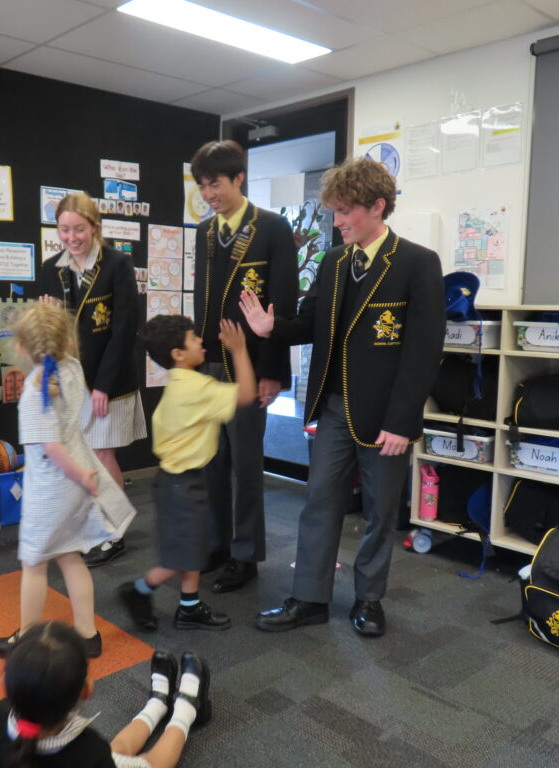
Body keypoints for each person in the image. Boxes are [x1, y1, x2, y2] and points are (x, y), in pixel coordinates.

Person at [240, 157, 445, 637]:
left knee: (379, 511)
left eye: (345, 211)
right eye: (334, 211)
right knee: (319, 502)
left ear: (377, 207)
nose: (336, 222)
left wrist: (402, 422)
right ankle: (309, 598)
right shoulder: (334, 262)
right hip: (332, 407)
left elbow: (423, 351)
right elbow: (310, 323)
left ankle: (369, 600)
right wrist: (271, 329)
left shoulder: (417, 263)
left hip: (385, 415)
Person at [0, 304, 136, 660]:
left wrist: (79, 474)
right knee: (70, 555)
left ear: (21, 348)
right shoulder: (72, 368)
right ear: (68, 340)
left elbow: (51, 448)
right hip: (75, 479)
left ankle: (26, 636)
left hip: (52, 486)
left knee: (34, 563)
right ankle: (88, 634)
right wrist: (82, 475)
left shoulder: (35, 390)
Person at [190, 140, 297, 593]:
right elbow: (203, 300)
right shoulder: (205, 232)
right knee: (211, 462)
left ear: (238, 178)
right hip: (209, 365)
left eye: (214, 184)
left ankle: (246, 554)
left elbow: (283, 303)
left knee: (246, 466)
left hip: (250, 365)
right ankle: (218, 543)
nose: (208, 194)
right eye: (201, 186)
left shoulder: (272, 227)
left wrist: (274, 372)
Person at [117, 315, 255, 632]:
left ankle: (189, 607)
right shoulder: (197, 387)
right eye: (194, 339)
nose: (201, 341)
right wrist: (239, 351)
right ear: (178, 353)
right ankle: (138, 590)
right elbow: (246, 394)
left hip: (179, 481)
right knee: (181, 556)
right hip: (182, 484)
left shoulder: (181, 383)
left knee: (192, 546)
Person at [39, 192, 145, 568]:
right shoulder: (51, 268)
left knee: (102, 455)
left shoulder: (117, 264)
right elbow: (51, 334)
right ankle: (92, 524)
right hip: (71, 381)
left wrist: (103, 385)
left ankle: (113, 531)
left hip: (108, 381)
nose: (71, 238)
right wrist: (50, 319)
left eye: (79, 229)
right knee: (79, 456)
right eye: (64, 230)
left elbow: (124, 329)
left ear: (95, 227)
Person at [0, 621, 211, 768]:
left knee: (117, 748)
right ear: (86, 690)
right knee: (149, 761)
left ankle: (158, 704)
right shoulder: (89, 751)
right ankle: (187, 710)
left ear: (6, 683)